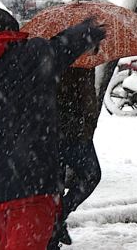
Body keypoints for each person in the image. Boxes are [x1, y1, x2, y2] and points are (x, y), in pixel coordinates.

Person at [0, 5, 106, 250]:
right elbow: (61, 46)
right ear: (10, 30)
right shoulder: (30, 57)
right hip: (33, 187)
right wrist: (89, 30)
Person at [49, 67, 102, 248]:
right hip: (70, 130)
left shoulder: (45, 53)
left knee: (56, 187)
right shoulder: (80, 59)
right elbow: (87, 99)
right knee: (90, 175)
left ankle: (56, 221)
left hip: (56, 128)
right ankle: (57, 220)